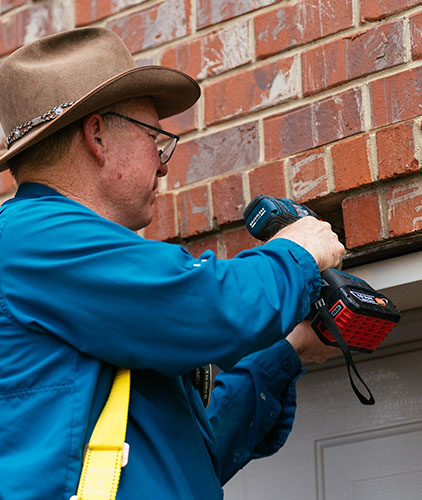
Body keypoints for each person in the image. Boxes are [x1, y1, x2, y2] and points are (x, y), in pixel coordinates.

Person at [0, 27, 345, 500]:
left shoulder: (85, 286)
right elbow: (210, 303)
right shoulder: (31, 238)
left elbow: (187, 461)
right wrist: (300, 251)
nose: (163, 165)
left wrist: (287, 349)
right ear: (97, 135)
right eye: (154, 138)